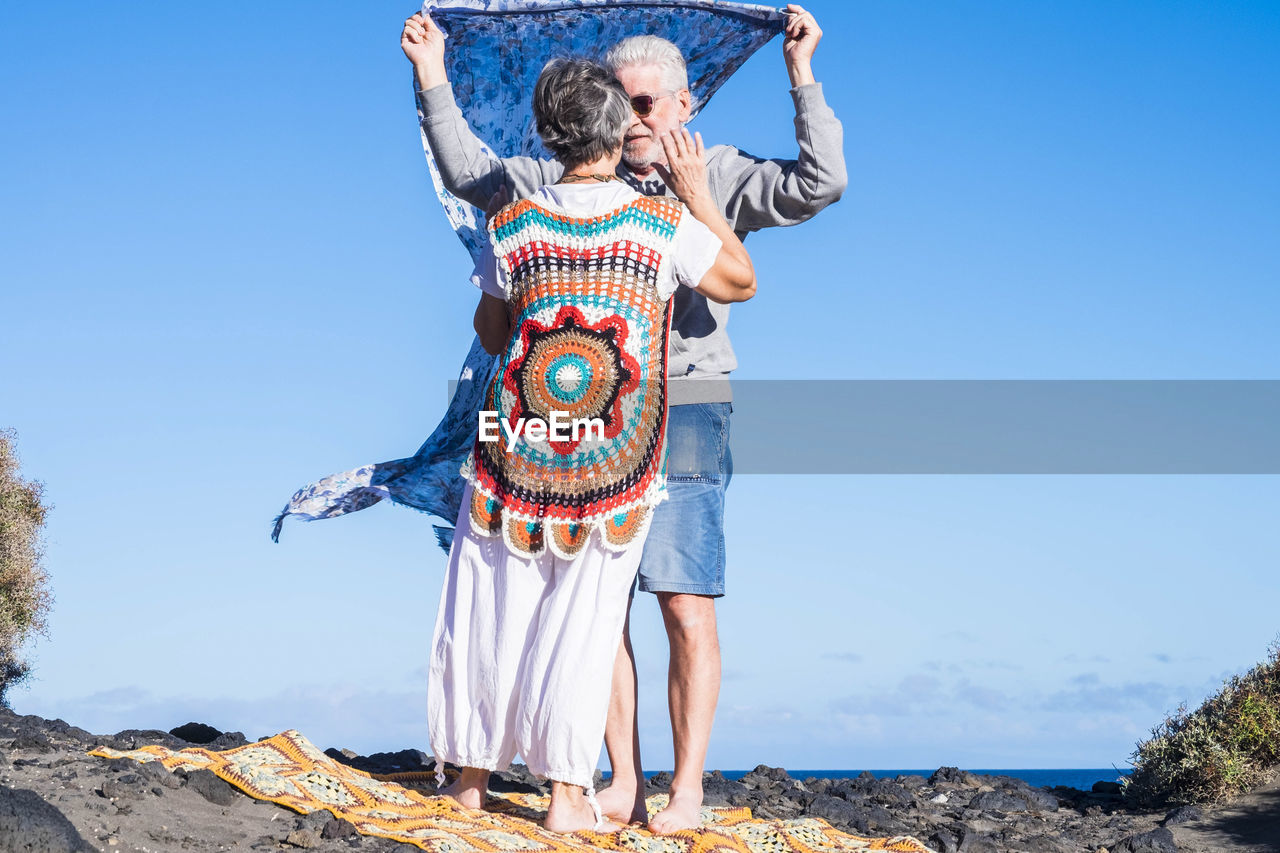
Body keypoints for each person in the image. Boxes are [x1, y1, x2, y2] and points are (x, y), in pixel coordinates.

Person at [402, 4, 845, 832]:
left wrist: (797, 79)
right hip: (571, 427)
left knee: (680, 599)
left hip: (686, 408)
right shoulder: (547, 184)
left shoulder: (715, 173)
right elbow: (470, 173)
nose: (635, 117)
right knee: (591, 594)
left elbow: (819, 186)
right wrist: (430, 78)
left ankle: (685, 789)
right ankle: (619, 782)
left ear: (685, 107)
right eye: (621, 100)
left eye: (649, 103)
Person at [425, 56, 756, 835]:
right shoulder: (658, 224)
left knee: (489, 605)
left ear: (548, 133)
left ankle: (470, 781)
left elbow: (494, 330)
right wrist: (697, 200)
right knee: (584, 618)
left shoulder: (512, 224)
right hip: (613, 452)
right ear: (615, 134)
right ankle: (567, 794)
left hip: (517, 441)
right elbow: (739, 280)